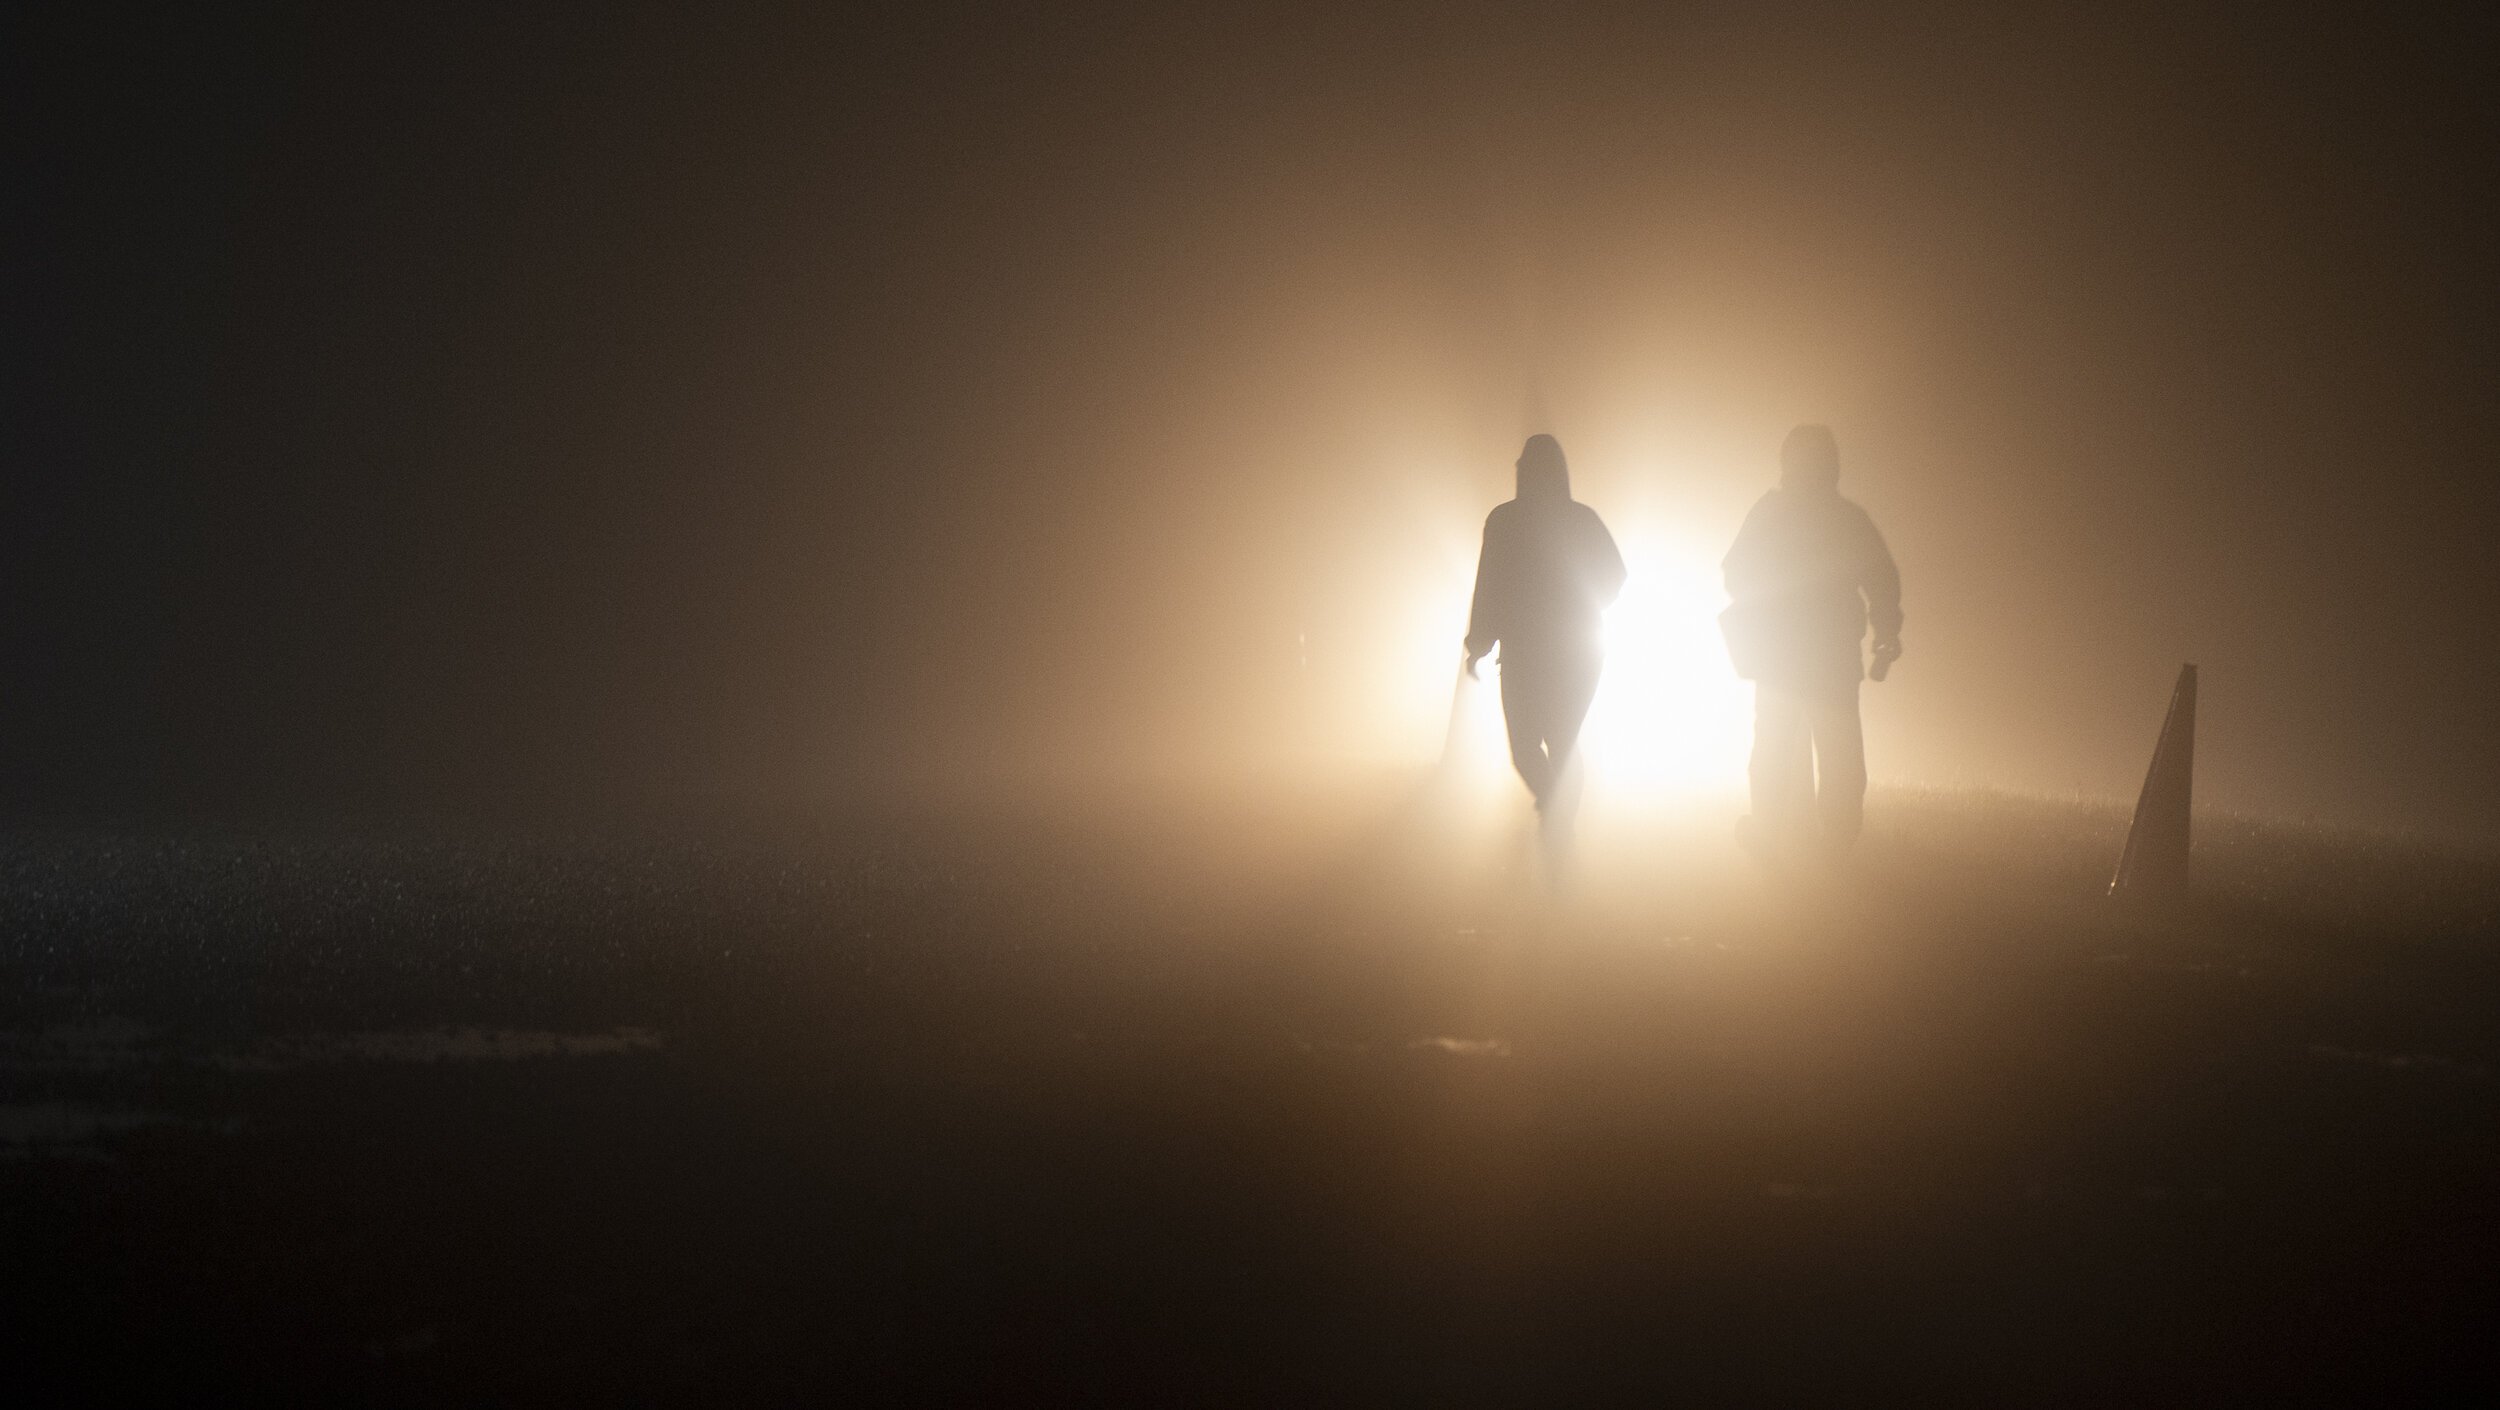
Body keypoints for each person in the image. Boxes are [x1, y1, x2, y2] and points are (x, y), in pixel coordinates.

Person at [1720, 424, 1902, 861]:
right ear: (1832, 466)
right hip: (1832, 655)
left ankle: (1767, 831)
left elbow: (1734, 573)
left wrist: (1760, 605)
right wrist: (1885, 636)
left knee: (1773, 745)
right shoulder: (1847, 518)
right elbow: (1882, 581)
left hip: (1780, 655)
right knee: (1839, 749)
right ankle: (1837, 839)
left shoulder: (1769, 512)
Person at [1463, 434, 1626, 826]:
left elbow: (1489, 585)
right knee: (1563, 743)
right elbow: (1616, 575)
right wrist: (1584, 606)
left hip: (1524, 654)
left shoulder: (1504, 521)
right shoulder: (1583, 519)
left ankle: (1555, 812)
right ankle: (1561, 818)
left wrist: (1479, 643)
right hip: (1581, 653)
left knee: (1524, 747)